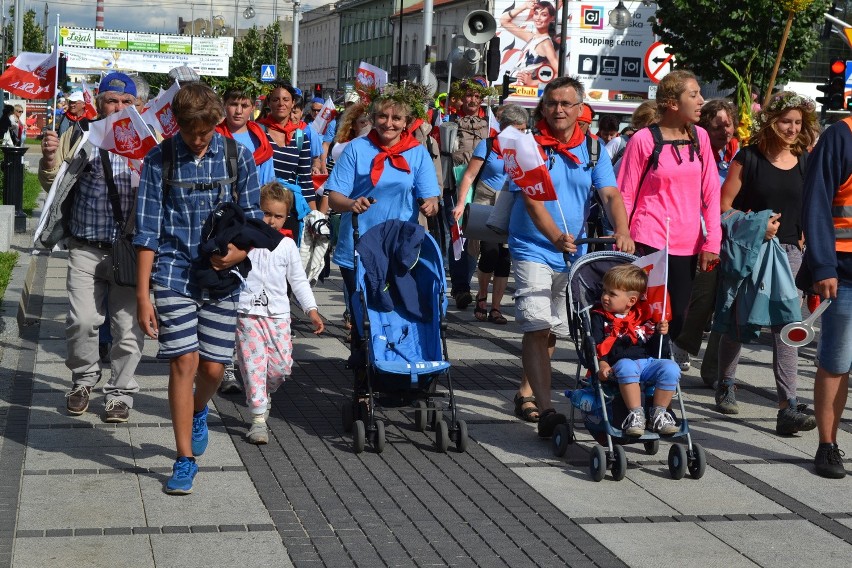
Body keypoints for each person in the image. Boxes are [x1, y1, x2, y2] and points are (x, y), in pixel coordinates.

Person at [134, 82, 263, 495]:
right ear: (177, 124)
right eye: (190, 132)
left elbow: (255, 218)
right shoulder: (160, 159)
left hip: (222, 277)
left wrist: (239, 254)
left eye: (205, 131)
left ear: (217, 123)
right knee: (183, 363)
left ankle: (199, 409)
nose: (197, 139)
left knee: (212, 367)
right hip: (173, 273)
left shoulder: (236, 155)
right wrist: (143, 295)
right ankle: (184, 458)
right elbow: (147, 232)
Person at [509, 76, 634, 438]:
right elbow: (532, 200)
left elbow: (610, 195)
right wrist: (554, 236)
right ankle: (547, 409)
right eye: (551, 103)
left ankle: (526, 391)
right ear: (542, 107)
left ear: (581, 109)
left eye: (566, 104)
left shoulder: (592, 149)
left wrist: (622, 229)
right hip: (532, 245)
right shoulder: (526, 145)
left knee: (551, 327)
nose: (558, 110)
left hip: (572, 251)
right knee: (536, 323)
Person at [36, 72, 144, 423]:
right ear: (99, 103)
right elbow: (54, 184)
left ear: (137, 106)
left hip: (129, 251)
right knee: (81, 321)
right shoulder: (83, 137)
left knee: (128, 329)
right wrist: (49, 160)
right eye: (112, 101)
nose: (119, 108)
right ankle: (83, 381)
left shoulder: (148, 141)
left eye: (127, 102)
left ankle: (120, 393)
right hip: (85, 247)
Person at [712, 92, 819, 432]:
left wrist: (807, 236)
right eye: (786, 121)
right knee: (739, 321)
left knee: (787, 329)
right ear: (772, 121)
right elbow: (722, 206)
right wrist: (757, 225)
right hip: (752, 253)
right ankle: (726, 382)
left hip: (791, 255)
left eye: (798, 122)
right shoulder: (749, 158)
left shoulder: (806, 159)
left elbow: (815, 204)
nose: (792, 128)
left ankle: (787, 405)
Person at [617, 70, 721, 370]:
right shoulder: (643, 140)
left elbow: (712, 195)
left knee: (678, 321)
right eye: (694, 95)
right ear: (673, 103)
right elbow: (624, 193)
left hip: (688, 244)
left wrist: (712, 241)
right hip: (648, 240)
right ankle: (644, 378)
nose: (701, 100)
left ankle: (656, 374)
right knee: (648, 316)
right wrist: (622, 232)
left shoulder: (700, 138)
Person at [327, 82, 441, 320]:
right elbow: (335, 197)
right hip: (359, 241)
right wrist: (352, 204)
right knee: (361, 314)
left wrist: (430, 204)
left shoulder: (417, 152)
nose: (389, 123)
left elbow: (431, 196)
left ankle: (391, 355)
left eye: (396, 118)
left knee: (394, 312)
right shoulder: (357, 149)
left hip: (400, 245)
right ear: (373, 117)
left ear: (406, 122)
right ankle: (359, 352)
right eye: (382, 116)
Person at [237, 181, 325, 444]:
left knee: (280, 368)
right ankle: (257, 420)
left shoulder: (286, 246)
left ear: (287, 216)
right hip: (247, 313)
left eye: (278, 216)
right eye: (266, 213)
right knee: (253, 368)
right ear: (256, 210)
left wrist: (311, 309)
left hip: (277, 315)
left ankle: (265, 393)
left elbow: (297, 280)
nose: (271, 221)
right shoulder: (245, 240)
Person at [214, 86, 278, 394]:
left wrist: (264, 227)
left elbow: (267, 185)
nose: (238, 110)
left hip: (249, 220)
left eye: (244, 105)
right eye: (232, 104)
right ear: (224, 106)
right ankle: (223, 363)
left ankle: (244, 357)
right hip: (220, 220)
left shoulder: (260, 141)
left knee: (248, 294)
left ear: (252, 107)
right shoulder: (215, 136)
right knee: (222, 293)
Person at [801, 113, 852, 479]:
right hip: (845, 270)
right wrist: (823, 265)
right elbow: (817, 200)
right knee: (836, 360)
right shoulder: (842, 135)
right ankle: (827, 444)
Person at [677, 98, 739, 386]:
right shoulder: (695, 153)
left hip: (732, 241)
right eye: (717, 127)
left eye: (729, 125)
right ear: (704, 127)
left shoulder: (735, 155)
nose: (725, 131)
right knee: (700, 303)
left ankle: (713, 371)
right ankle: (681, 348)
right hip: (699, 239)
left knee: (725, 307)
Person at [452, 104, 528, 328]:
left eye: (525, 129)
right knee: (489, 253)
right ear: (505, 129)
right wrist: (459, 203)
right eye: (519, 129)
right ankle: (482, 296)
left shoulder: (527, 149)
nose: (523, 134)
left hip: (512, 203)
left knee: (505, 259)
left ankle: (496, 307)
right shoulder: (487, 146)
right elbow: (469, 176)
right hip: (486, 201)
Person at [591, 264, 680, 436]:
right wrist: (601, 365)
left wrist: (661, 334)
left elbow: (658, 351)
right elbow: (595, 345)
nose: (605, 297)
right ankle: (635, 414)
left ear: (631, 301)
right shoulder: (599, 317)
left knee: (671, 367)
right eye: (604, 291)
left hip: (646, 362)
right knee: (627, 365)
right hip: (617, 365)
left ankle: (658, 413)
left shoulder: (643, 316)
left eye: (612, 294)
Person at [443, 79, 490, 310]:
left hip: (483, 188)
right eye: (468, 96)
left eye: (476, 96)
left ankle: (467, 281)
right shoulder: (448, 121)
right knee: (457, 236)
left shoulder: (491, 123)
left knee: (475, 237)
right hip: (455, 186)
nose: (472, 100)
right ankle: (461, 288)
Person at [259, 84, 315, 211]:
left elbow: (305, 179)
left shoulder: (300, 137)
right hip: (261, 207)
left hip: (289, 208)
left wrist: (314, 214)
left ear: (293, 102)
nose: (281, 104)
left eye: (286, 99)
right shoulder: (258, 132)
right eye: (275, 99)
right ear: (268, 103)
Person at [499, 1, 559, 88]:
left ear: (551, 18)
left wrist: (533, 82)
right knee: (494, 97)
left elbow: (559, 73)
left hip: (521, 90)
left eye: (544, 15)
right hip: (510, 85)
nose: (538, 18)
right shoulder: (532, 37)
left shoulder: (546, 43)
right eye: (536, 13)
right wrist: (524, 6)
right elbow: (504, 21)